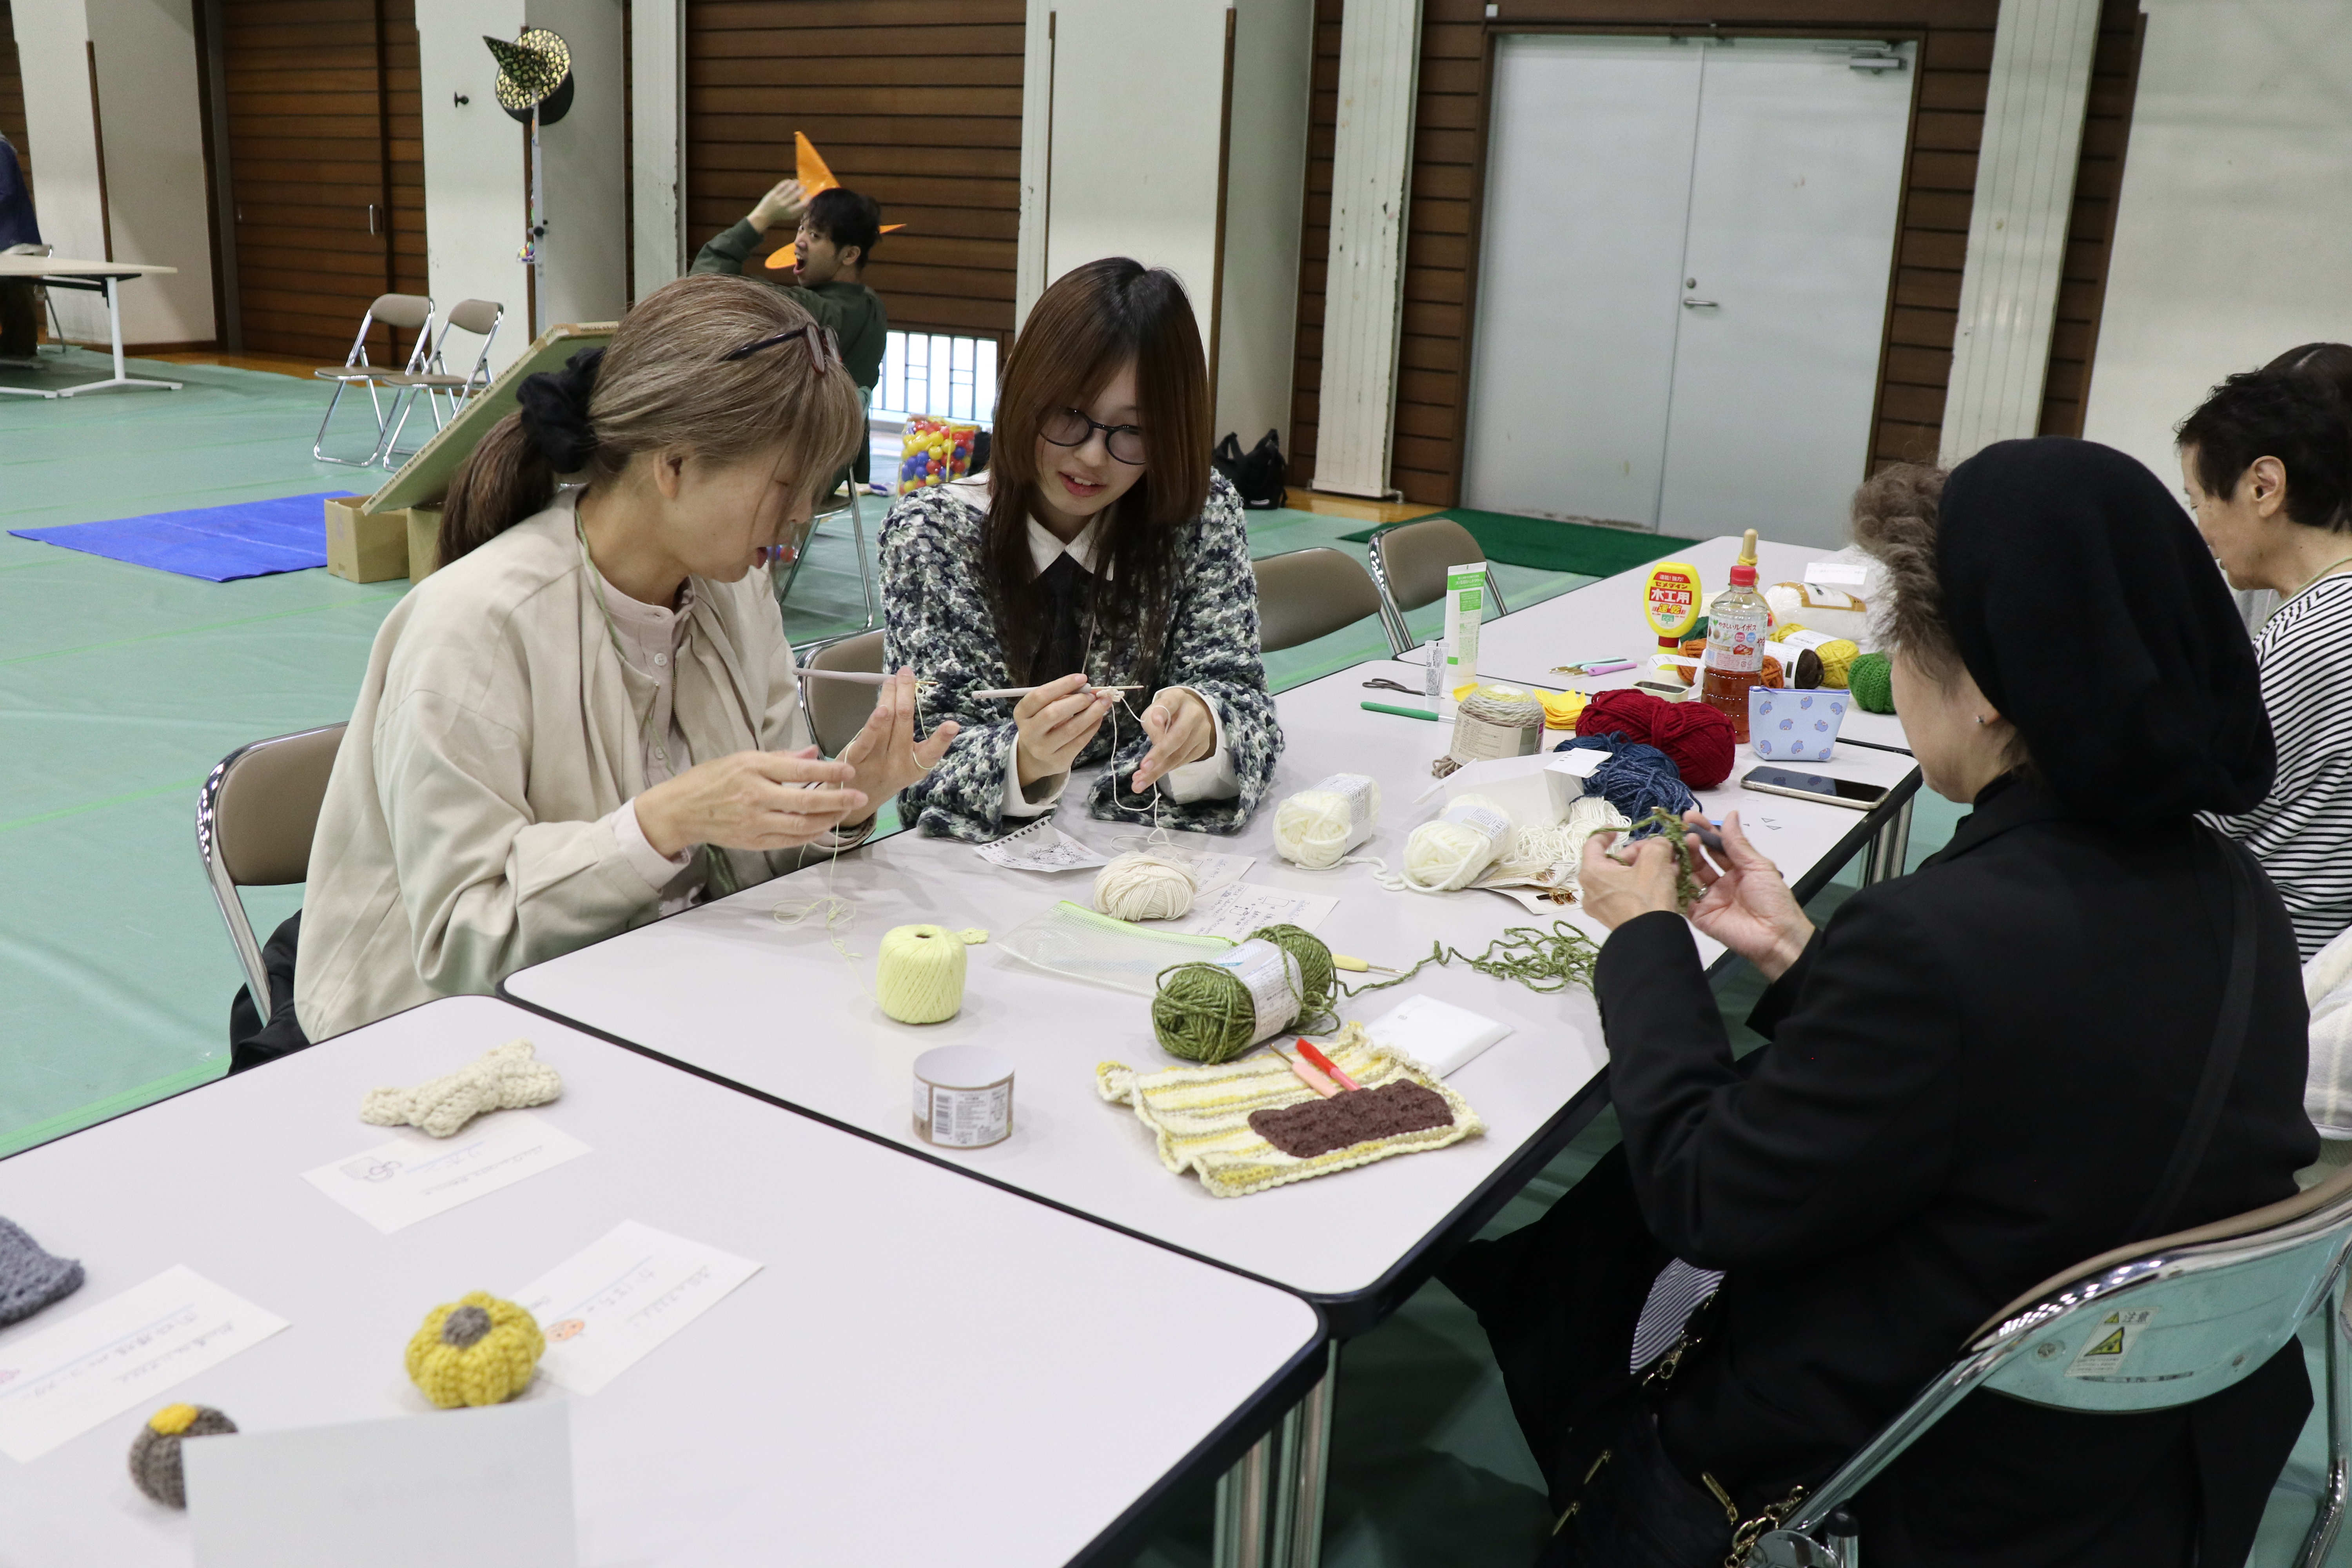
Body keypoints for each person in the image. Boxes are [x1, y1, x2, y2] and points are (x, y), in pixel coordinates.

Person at [1445, 441, 2314, 1568]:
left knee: (1612, 1232)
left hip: (1922, 1469)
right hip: (2147, 1461)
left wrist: (1647, 938)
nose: (1895, 673)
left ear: (1993, 691)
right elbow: (2028, 1075)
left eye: (1903, 644)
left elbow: (1703, 1195)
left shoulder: (1940, 940)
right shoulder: (2232, 896)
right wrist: (1807, 960)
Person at [289, 275, 956, 1044]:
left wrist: (836, 805)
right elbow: (465, 940)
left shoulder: (734, 594)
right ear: (673, 466)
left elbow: (754, 864)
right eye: (785, 484)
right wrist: (662, 821)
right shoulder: (474, 625)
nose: (803, 514)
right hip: (448, 1040)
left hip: (650, 999)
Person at [877, 257, 1280, 841]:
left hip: (1146, 855)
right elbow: (922, 767)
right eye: (1069, 414)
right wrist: (1026, 761)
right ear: (1023, 393)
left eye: (1133, 431)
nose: (1092, 456)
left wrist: (1208, 726)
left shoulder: (1196, 514)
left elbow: (1239, 697)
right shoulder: (933, 535)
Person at [2178, 368, 2352, 960]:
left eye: (2199, 501)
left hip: (2263, 961)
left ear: (2264, 487)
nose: (2202, 532)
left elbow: (2198, 807)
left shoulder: (2313, 634)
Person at [693, 181, 888, 477]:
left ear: (849, 255)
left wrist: (760, 218)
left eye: (815, 235)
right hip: (837, 468)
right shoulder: (872, 305)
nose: (799, 242)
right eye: (801, 229)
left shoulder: (811, 312)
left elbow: (704, 285)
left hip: (791, 471)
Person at [0, 130, 43, 364]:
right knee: (6, 291)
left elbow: (6, 193)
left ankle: (25, 345)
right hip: (5, 237)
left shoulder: (1, 149)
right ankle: (11, 342)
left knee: (18, 290)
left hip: (15, 236)